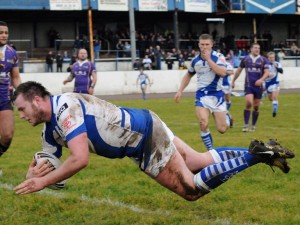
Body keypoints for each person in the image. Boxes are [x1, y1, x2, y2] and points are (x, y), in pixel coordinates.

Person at [13, 81, 294, 197]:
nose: (22, 116)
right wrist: (34, 173)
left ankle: (254, 156)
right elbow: (49, 164)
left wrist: (42, 182)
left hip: (142, 137)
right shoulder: (49, 129)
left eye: (22, 109)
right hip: (143, 123)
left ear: (37, 100)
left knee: (191, 190)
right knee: (198, 160)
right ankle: (261, 152)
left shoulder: (65, 109)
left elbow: (80, 159)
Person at [174, 34, 228, 151]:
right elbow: (188, 75)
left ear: (212, 44)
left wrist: (209, 60)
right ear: (198, 45)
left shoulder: (219, 57)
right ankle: (211, 152)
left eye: (207, 44)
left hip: (217, 96)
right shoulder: (195, 61)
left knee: (222, 129)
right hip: (202, 96)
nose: (204, 47)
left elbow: (223, 73)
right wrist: (180, 91)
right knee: (203, 122)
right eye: (202, 44)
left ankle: (226, 115)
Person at [232, 43, 270, 132]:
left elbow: (267, 72)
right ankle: (245, 125)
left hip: (258, 86)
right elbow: (238, 71)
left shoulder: (263, 60)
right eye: (256, 48)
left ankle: (253, 125)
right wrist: (233, 81)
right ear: (251, 49)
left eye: (259, 48)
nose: (257, 49)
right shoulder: (245, 59)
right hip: (248, 85)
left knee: (256, 106)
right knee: (249, 102)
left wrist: (261, 80)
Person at [0, 21, 22, 158]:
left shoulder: (12, 53)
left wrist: (22, 93)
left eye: (6, 33)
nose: (4, 35)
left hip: (4, 97)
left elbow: (15, 77)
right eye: (1, 32)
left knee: (7, 135)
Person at [266, 51, 283, 117]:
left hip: (275, 82)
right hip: (268, 83)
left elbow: (281, 71)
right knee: (270, 99)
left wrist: (276, 67)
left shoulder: (277, 63)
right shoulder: (265, 65)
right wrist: (267, 75)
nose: (271, 59)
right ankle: (274, 103)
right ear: (268, 58)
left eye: (273, 57)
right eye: (270, 57)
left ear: (274, 57)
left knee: (274, 97)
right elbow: (261, 74)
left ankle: (274, 110)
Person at [222, 62, 234, 128]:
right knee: (220, 102)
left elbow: (231, 72)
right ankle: (228, 116)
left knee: (227, 101)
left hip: (226, 84)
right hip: (217, 85)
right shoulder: (214, 62)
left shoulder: (227, 64)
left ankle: (227, 115)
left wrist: (222, 71)